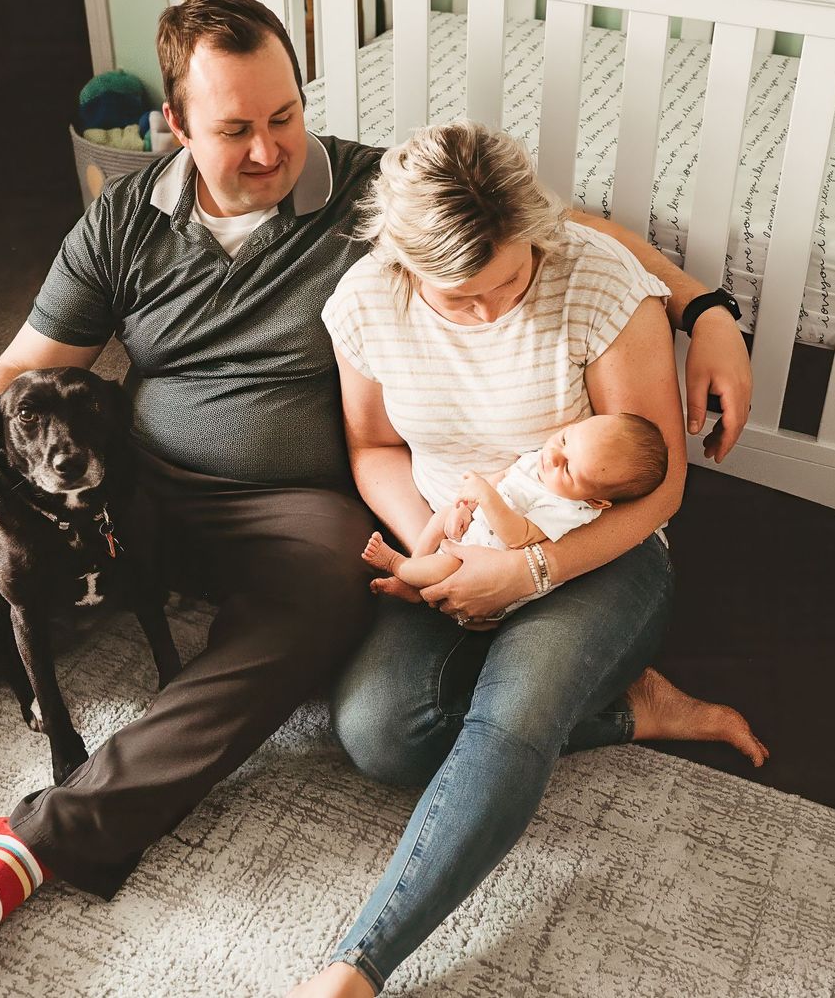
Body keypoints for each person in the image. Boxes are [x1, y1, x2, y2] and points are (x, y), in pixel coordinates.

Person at [0, 0, 758, 977]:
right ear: (173, 123)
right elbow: (27, 357)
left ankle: (61, 830)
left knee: (324, 592)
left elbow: (553, 231)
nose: (268, 150)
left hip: (284, 509)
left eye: (286, 116)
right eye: (235, 130)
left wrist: (706, 307)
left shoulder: (364, 191)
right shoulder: (124, 220)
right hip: (134, 483)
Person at [289, 121, 768, 998]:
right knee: (378, 733)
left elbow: (659, 488)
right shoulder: (366, 301)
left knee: (509, 719)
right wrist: (431, 541)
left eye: (509, 280)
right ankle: (625, 709)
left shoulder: (597, 279)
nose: (489, 310)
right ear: (403, 265)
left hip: (599, 556)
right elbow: (372, 447)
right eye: (458, 298)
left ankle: (357, 966)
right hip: (456, 542)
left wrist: (529, 572)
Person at [361, 412, 669, 620]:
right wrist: (465, 507)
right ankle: (414, 572)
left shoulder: (570, 510)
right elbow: (504, 475)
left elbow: (517, 535)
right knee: (439, 518)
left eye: (570, 469)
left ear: (596, 500)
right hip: (476, 528)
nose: (554, 456)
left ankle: (396, 564)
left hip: (486, 563)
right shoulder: (543, 459)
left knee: (446, 565)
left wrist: (484, 494)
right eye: (564, 439)